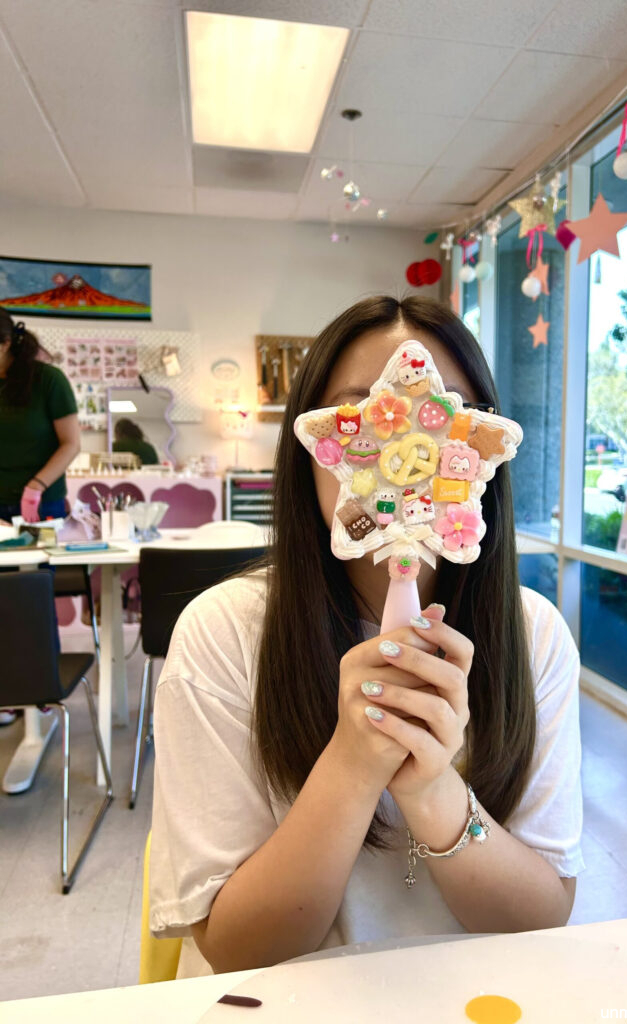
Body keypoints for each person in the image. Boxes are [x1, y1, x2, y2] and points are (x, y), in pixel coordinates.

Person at [150, 296, 584, 978]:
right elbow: (235, 949)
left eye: (444, 417)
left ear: (480, 452)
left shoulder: (535, 637)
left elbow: (539, 917)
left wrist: (433, 789)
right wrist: (354, 763)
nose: (404, 456)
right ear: (315, 448)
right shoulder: (221, 635)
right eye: (364, 415)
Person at [0, 309, 80, 525]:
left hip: (42, 502)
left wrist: (36, 485)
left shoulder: (48, 380)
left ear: (6, 344)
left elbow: (71, 444)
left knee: (44, 559)